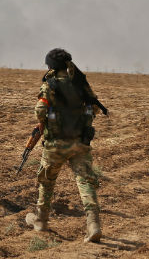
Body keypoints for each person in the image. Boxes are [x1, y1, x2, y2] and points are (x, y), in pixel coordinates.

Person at [25, 48, 103, 243]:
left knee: (47, 181)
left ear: (51, 66)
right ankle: (93, 224)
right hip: (80, 143)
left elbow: (40, 111)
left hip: (55, 145)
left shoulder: (49, 85)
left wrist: (48, 119)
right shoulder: (80, 83)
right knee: (85, 183)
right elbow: (94, 107)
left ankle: (41, 220)